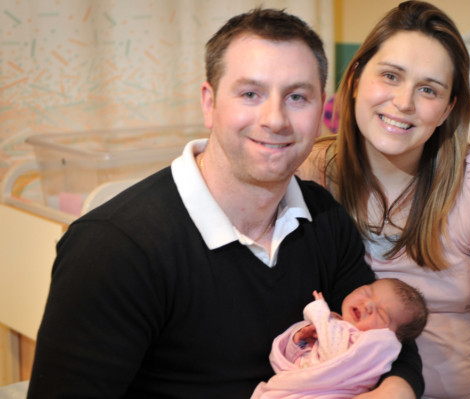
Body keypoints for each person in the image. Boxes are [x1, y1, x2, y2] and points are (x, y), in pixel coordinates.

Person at [27, 8, 424, 399]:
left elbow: (388, 339)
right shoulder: (114, 249)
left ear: (321, 109)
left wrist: (396, 392)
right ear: (209, 102)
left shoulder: (323, 217)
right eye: (250, 93)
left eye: (297, 97)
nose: (275, 119)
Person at [297, 1, 470, 398]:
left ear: (448, 108)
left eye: (428, 89)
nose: (404, 103)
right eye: (390, 76)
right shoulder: (309, 174)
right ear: (354, 78)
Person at [252, 278, 428, 398]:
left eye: (381, 314)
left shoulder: (373, 346)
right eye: (366, 292)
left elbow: (336, 357)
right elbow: (284, 362)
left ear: (391, 335)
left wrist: (320, 315)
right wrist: (298, 340)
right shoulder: (337, 328)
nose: (368, 304)